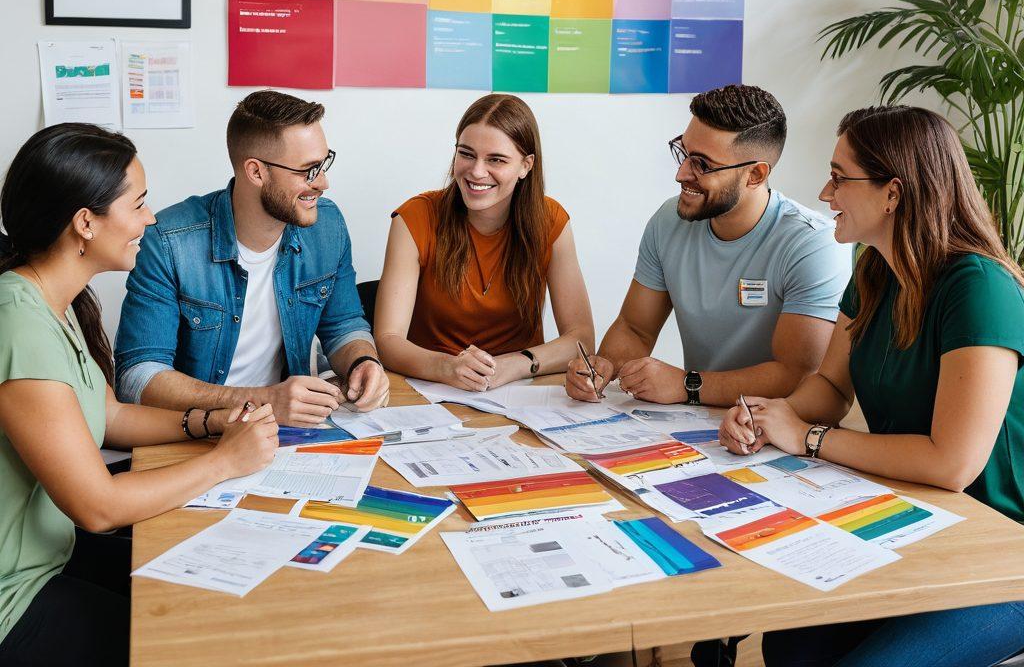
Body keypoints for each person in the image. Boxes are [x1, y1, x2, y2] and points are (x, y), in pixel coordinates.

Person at [718, 105, 1024, 667]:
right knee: (791, 643)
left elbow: (952, 464)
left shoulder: (980, 288)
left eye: (840, 176)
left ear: (893, 193)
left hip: (1003, 549)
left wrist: (806, 438)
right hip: (921, 520)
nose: (825, 191)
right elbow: (832, 386)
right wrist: (766, 414)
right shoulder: (876, 269)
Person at [0, 123, 278, 667]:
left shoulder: (54, 300)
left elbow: (110, 416)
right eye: (139, 204)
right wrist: (224, 462)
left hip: (54, 557)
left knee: (214, 604)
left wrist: (210, 423)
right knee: (195, 645)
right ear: (85, 222)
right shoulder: (20, 321)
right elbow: (97, 507)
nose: (150, 219)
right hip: (17, 597)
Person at [565, 84, 850, 407]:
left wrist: (688, 385)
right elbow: (634, 328)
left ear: (755, 175)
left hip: (778, 428)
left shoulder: (813, 244)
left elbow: (797, 374)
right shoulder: (668, 221)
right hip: (694, 421)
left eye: (703, 164)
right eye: (683, 152)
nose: (681, 173)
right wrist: (604, 366)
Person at [115, 90, 388, 425]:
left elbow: (343, 324)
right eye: (308, 171)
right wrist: (263, 400)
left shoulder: (326, 226)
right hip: (201, 430)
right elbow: (137, 377)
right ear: (256, 172)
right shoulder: (170, 241)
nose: (324, 183)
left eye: (324, 163)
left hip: (290, 428)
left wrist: (363, 361)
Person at [375, 93, 595, 391]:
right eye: (466, 154)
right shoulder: (415, 217)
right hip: (430, 389)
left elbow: (581, 338)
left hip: (517, 391)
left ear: (526, 166)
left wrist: (516, 365)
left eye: (496, 160)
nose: (477, 171)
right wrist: (448, 367)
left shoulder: (551, 221)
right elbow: (388, 341)